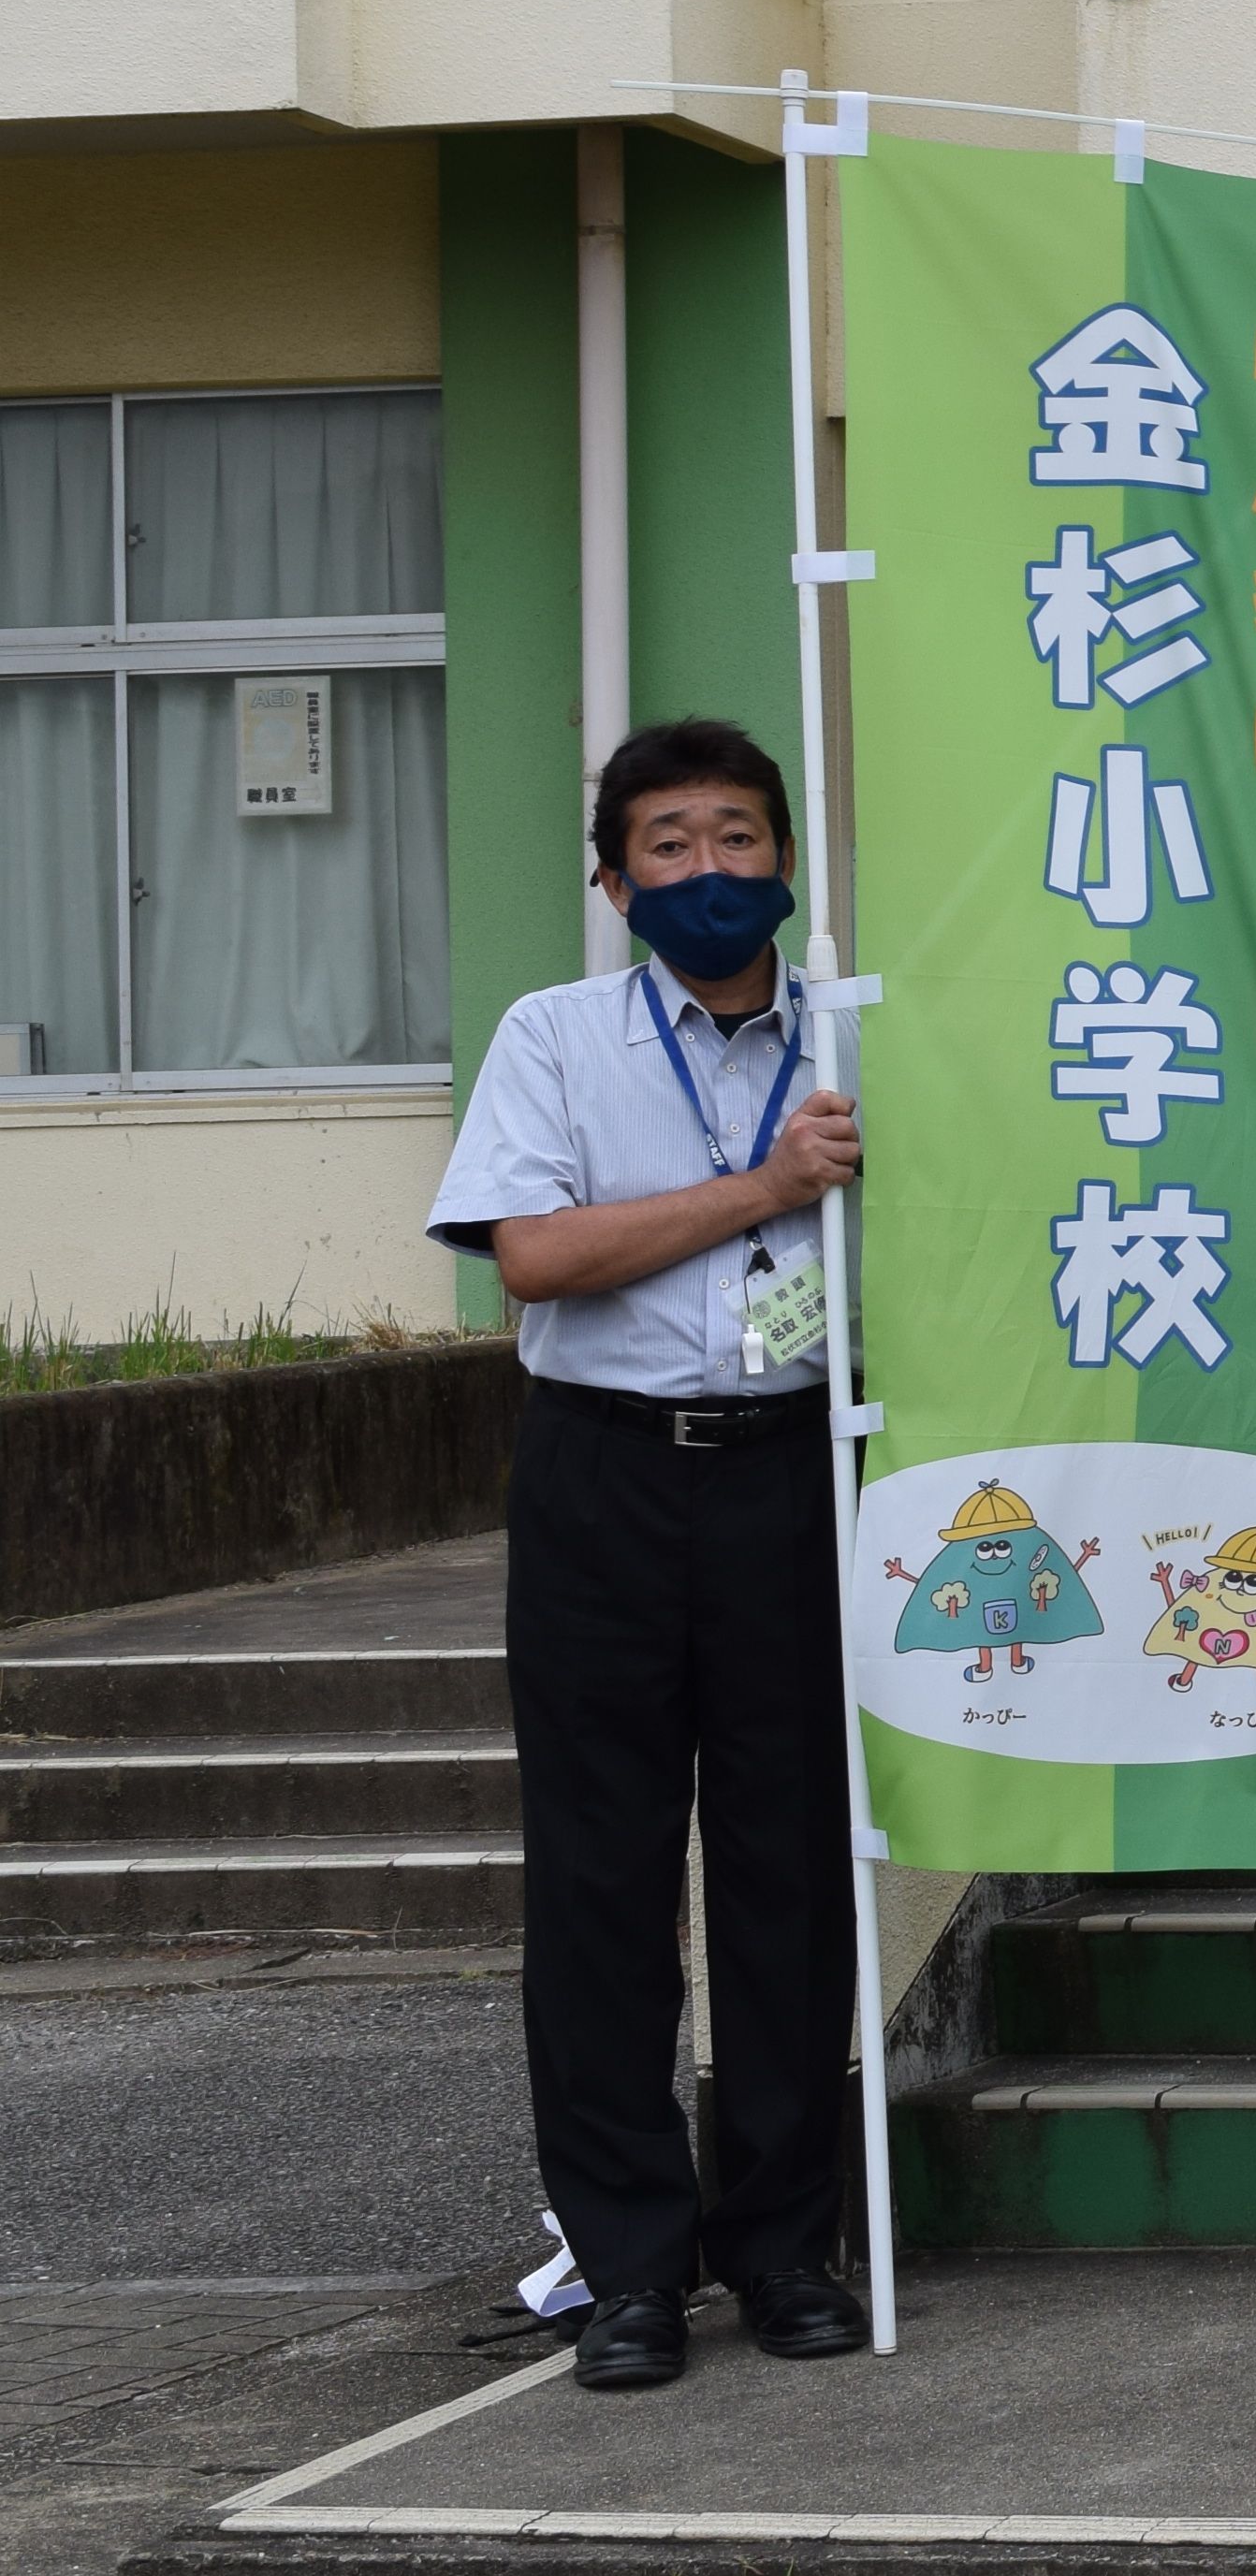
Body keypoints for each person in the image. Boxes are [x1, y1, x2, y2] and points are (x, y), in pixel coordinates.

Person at [427, 719, 875, 2391]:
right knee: (603, 1881)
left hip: (793, 1478)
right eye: (671, 844)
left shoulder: (854, 1034)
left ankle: (779, 2248)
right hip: (605, 1481)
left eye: (740, 836)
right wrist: (763, 1188)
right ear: (614, 879)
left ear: (783, 860)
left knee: (786, 1876)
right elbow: (535, 1256)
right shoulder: (556, 1038)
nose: (710, 870)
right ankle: (626, 2263)